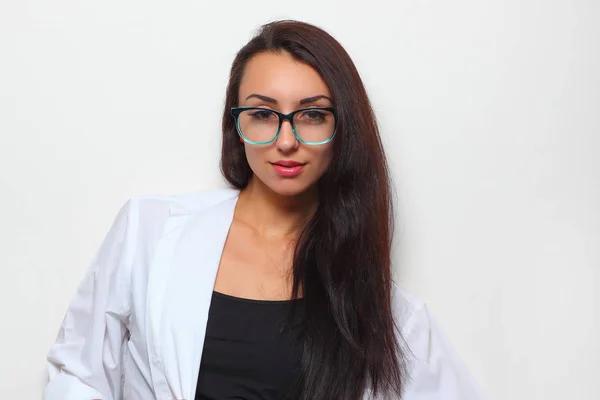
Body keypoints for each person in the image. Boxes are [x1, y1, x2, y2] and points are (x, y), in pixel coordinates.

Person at [43, 20, 483, 400]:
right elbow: (78, 375)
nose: (286, 140)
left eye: (312, 115)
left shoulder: (383, 309)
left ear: (342, 129)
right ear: (236, 125)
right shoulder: (150, 231)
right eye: (263, 113)